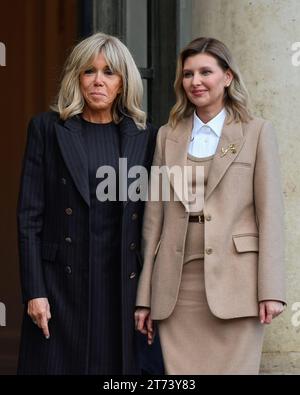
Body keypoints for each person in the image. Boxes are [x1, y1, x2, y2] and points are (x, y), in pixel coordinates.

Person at [135, 37, 286, 375]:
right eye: (188, 74)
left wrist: (271, 290)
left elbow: (271, 216)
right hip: (176, 289)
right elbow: (153, 221)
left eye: (206, 72)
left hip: (238, 286)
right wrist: (144, 297)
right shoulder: (166, 135)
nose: (195, 82)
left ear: (227, 77)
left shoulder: (258, 132)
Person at [17, 32, 163, 375]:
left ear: (123, 82)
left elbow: (156, 222)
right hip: (59, 287)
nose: (98, 80)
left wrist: (152, 294)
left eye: (109, 72)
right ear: (76, 78)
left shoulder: (147, 136)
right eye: (89, 71)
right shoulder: (47, 129)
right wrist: (34, 291)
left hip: (121, 287)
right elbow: (28, 218)